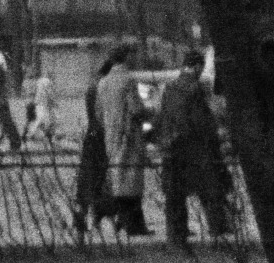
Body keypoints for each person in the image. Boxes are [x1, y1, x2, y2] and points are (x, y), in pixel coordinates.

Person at [156, 48, 234, 248]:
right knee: (210, 190)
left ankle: (176, 235)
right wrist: (215, 139)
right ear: (198, 66)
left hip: (172, 148)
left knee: (175, 195)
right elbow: (202, 121)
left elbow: (162, 117)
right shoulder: (194, 88)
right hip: (196, 149)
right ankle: (219, 233)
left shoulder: (170, 87)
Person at [87, 46, 152, 235]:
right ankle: (133, 224)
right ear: (126, 58)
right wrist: (151, 112)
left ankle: (124, 220)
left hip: (111, 136)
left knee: (117, 178)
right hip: (129, 136)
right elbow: (136, 110)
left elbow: (98, 113)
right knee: (132, 180)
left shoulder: (103, 82)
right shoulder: (128, 80)